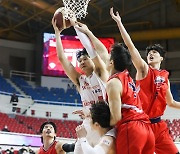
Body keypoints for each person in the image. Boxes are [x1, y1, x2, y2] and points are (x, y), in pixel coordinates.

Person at [110, 7, 180, 154]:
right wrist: (119, 23)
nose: (150, 54)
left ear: (161, 58)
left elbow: (171, 102)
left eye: (154, 52)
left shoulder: (165, 76)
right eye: (149, 53)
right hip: (141, 123)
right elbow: (131, 47)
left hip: (158, 125)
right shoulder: (143, 69)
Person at [52, 17, 109, 150]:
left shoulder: (101, 73)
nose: (82, 62)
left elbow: (93, 51)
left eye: (85, 58)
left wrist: (75, 26)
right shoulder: (80, 80)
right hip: (88, 124)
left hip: (105, 124)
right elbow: (62, 59)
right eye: (80, 60)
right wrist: (57, 33)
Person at [105, 43, 155, 154]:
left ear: (111, 62)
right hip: (147, 129)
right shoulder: (127, 77)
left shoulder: (113, 82)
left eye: (108, 57)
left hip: (131, 128)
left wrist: (99, 124)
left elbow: (116, 118)